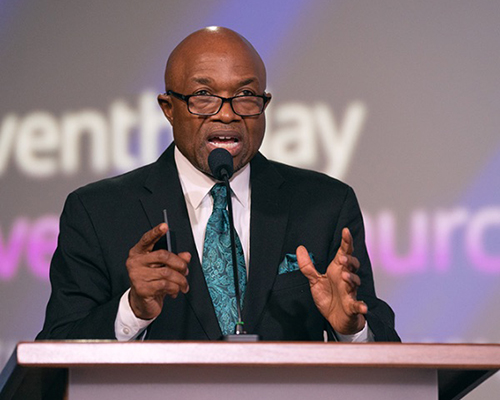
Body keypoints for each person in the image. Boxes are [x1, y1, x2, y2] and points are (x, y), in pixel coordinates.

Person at [37, 27, 400, 342]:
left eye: (245, 96)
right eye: (203, 96)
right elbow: (58, 344)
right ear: (168, 107)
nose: (227, 113)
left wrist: (350, 329)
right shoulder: (98, 211)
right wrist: (133, 309)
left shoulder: (325, 205)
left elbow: (383, 341)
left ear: (265, 103)